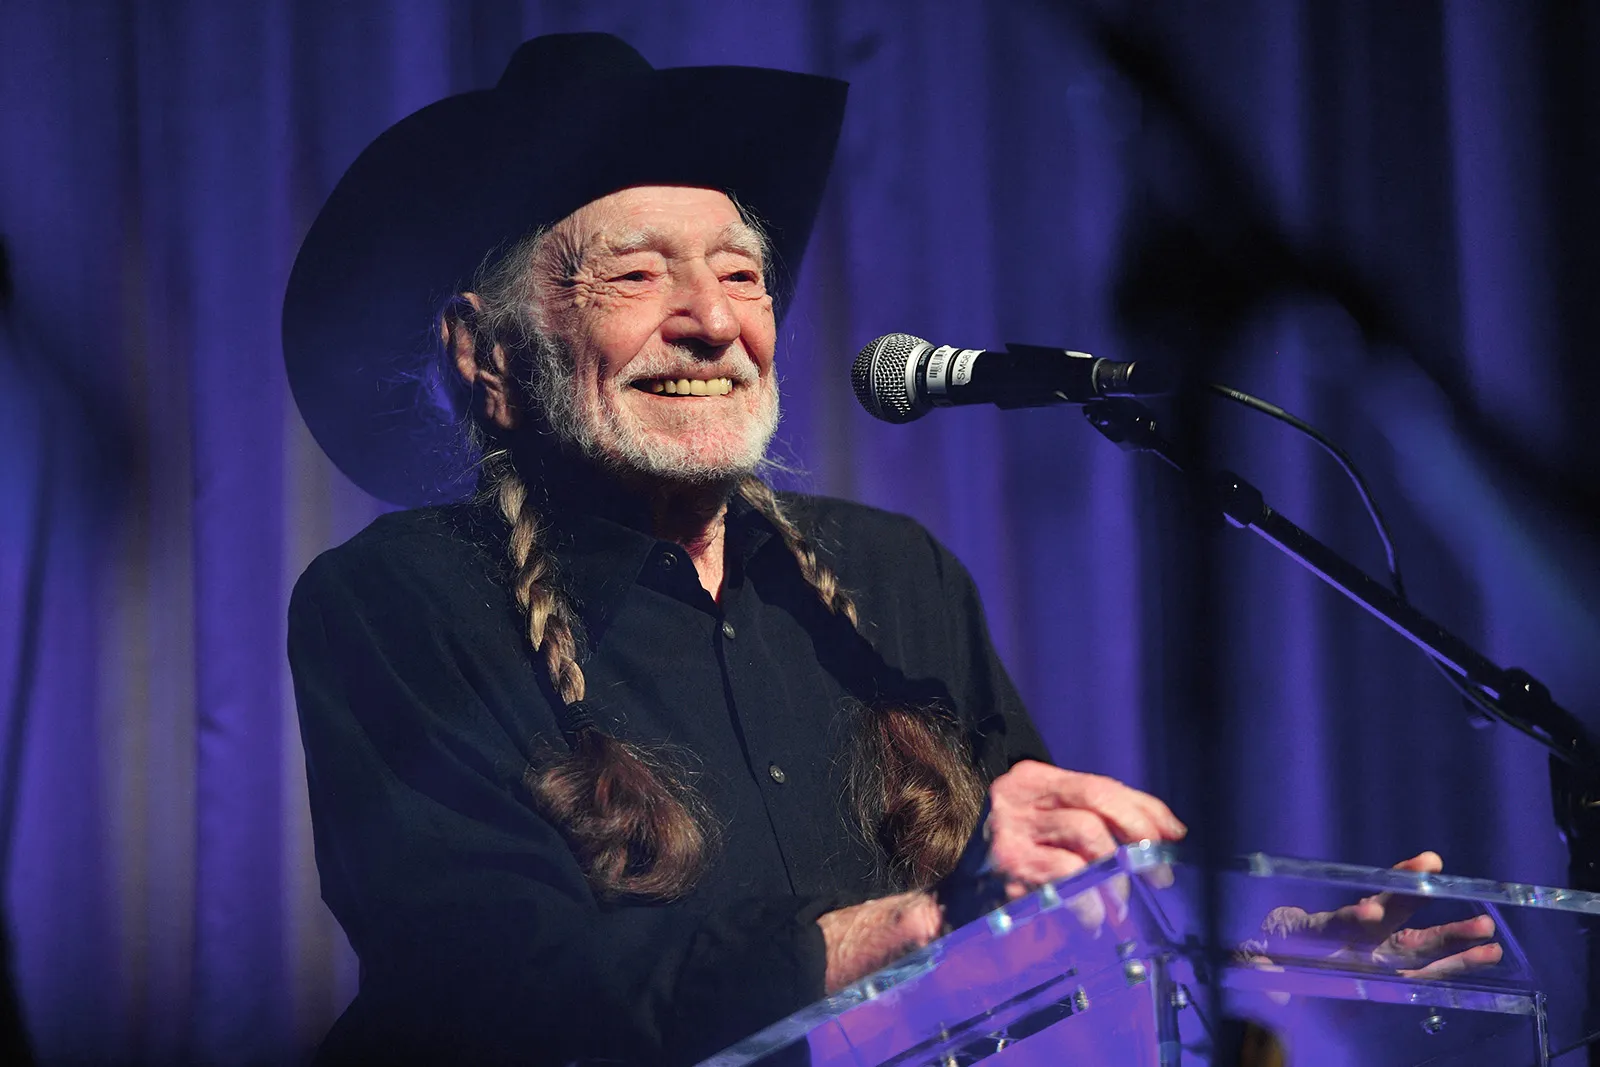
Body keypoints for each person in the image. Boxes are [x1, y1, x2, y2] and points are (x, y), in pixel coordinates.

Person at [282, 33, 1490, 1067]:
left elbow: (1044, 937)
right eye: (635, 273)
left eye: (741, 273)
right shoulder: (401, 597)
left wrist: (1256, 955)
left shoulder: (896, 577)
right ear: (486, 355)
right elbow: (500, 994)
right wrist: (920, 920)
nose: (711, 319)